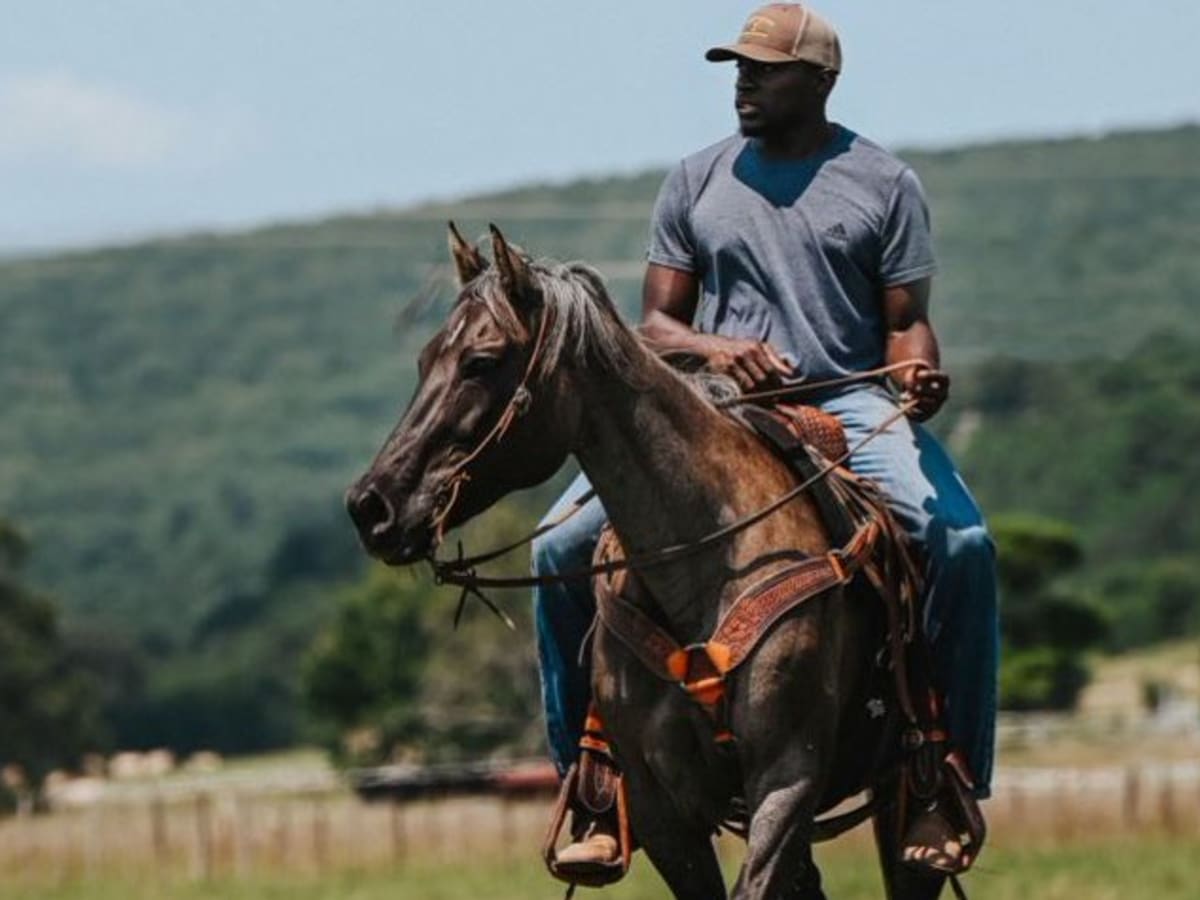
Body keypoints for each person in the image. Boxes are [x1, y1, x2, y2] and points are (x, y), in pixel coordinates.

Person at [533, 2, 997, 877]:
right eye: (737, 67)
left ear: (819, 81)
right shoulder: (696, 179)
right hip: (708, 404)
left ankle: (945, 770)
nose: (743, 82)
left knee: (961, 543)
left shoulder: (883, 182)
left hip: (848, 401)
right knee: (561, 546)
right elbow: (658, 325)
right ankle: (595, 776)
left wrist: (918, 374)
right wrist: (718, 349)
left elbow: (908, 324)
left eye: (763, 69)